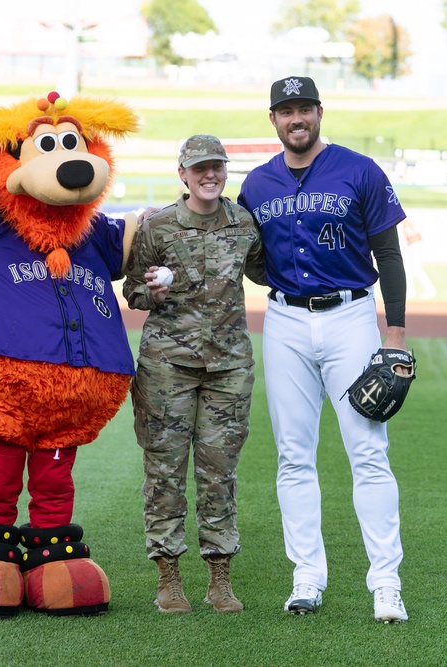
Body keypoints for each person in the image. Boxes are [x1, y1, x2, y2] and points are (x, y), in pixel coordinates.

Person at [237, 76, 412, 623]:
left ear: (319, 112)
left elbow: (389, 254)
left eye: (305, 109)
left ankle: (386, 583)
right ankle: (307, 577)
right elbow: (244, 256)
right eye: (286, 110)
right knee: (293, 455)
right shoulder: (256, 184)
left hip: (352, 317)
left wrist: (396, 336)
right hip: (285, 319)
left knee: (368, 451)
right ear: (273, 119)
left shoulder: (359, 170)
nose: (297, 119)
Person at [123, 134, 266, 614]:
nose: (210, 175)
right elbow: (134, 293)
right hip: (168, 366)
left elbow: (266, 270)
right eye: (200, 167)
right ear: (182, 173)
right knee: (164, 470)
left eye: (217, 167)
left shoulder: (244, 223)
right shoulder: (158, 226)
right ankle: (168, 578)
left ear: (226, 172)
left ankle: (219, 579)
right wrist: (152, 295)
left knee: (219, 472)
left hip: (228, 367)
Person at [399, 218, 437, 299]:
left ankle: (430, 290)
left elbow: (415, 237)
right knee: (408, 270)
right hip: (412, 247)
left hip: (414, 247)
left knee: (417, 270)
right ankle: (410, 292)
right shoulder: (406, 224)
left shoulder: (407, 224)